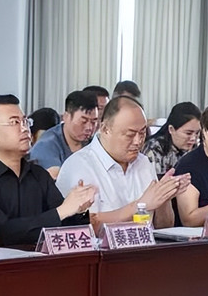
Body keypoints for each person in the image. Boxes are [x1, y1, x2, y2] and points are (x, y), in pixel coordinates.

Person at [0, 95, 96, 245]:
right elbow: (0, 232)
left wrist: (79, 209)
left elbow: (64, 223)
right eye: (14, 122)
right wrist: (62, 211)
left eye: (25, 121)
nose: (25, 128)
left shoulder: (39, 174)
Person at [56, 96, 189, 233]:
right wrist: (140, 205)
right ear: (105, 129)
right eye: (130, 135)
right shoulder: (78, 166)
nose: (138, 141)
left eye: (142, 133)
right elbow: (79, 227)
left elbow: (164, 228)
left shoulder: (143, 163)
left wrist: (163, 197)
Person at [30, 90, 99, 179]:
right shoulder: (46, 146)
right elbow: (57, 180)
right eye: (83, 121)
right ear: (66, 117)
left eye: (93, 122)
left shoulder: (94, 142)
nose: (89, 128)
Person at [142, 102, 202, 175]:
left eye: (197, 133)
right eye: (188, 133)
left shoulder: (196, 149)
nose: (193, 138)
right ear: (171, 129)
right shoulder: (154, 149)